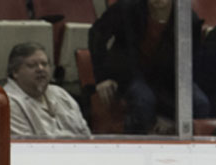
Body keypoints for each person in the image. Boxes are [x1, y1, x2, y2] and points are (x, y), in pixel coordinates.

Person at [89, 0, 209, 135]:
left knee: (200, 103)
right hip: (130, 74)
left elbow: (192, 63)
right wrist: (102, 77)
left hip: (168, 79)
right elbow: (96, 34)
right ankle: (134, 144)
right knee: (143, 101)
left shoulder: (188, 19)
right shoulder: (126, 9)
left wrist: (171, 118)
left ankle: (188, 145)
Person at [3, 42, 91, 138]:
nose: (40, 69)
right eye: (32, 65)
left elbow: (86, 134)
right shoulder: (7, 103)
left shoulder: (61, 94)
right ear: (15, 72)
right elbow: (25, 144)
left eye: (44, 64)